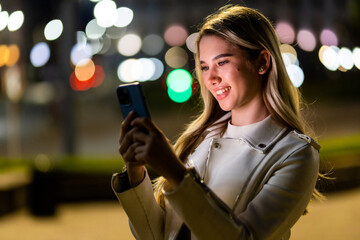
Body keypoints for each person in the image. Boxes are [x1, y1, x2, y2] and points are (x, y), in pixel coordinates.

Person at [112, 5, 322, 240]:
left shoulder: (295, 154)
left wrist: (175, 172)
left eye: (222, 62)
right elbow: (157, 236)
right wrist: (135, 172)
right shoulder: (199, 138)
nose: (210, 78)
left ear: (262, 62)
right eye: (204, 66)